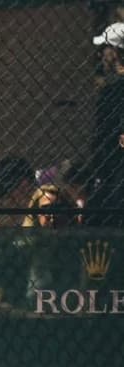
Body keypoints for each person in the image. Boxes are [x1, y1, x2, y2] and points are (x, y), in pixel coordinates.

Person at [87, 22, 124, 225]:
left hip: (115, 179)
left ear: (116, 52)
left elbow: (101, 139)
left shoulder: (110, 93)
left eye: (104, 49)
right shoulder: (111, 91)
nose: (101, 55)